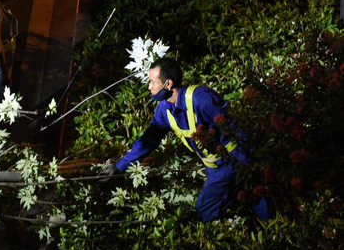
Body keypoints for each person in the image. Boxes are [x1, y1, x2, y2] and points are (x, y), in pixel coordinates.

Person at [101, 57, 270, 223]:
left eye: (152, 82)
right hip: (215, 168)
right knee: (249, 202)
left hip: (235, 161)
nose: (149, 87)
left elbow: (236, 129)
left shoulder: (201, 99)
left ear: (168, 84)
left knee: (214, 210)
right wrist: (119, 166)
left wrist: (249, 167)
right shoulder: (164, 109)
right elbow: (148, 140)